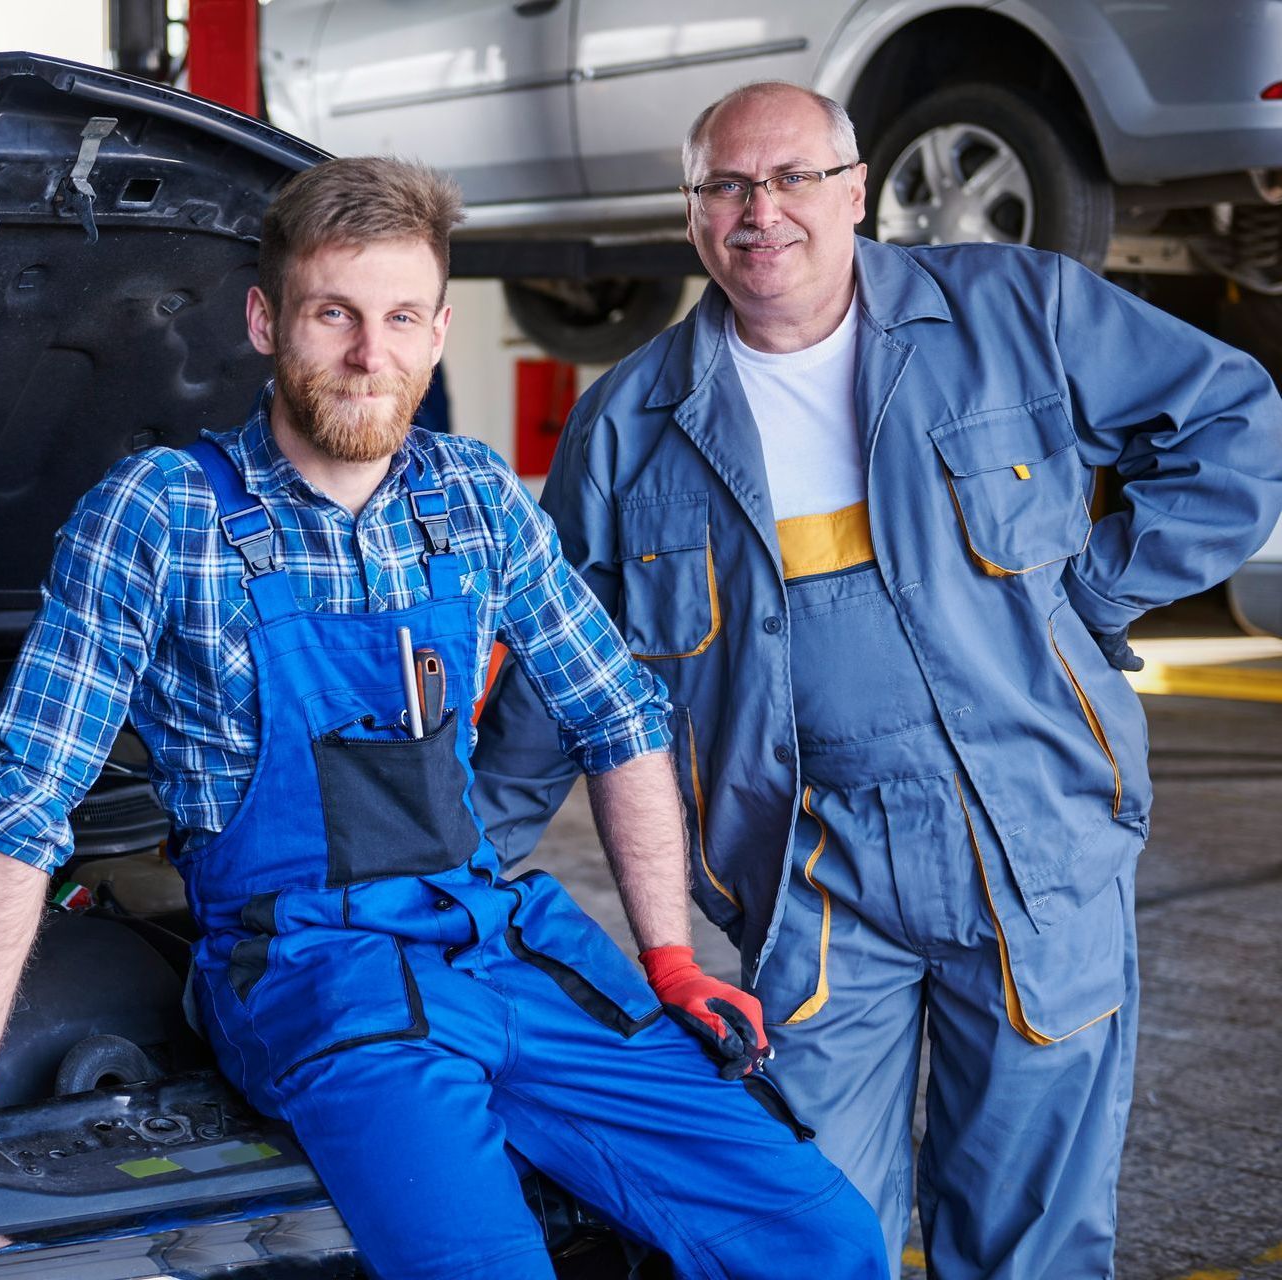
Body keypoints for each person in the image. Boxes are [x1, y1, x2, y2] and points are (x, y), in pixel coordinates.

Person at [0, 156, 888, 1280]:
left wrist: (670, 958)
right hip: (314, 972)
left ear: (436, 332)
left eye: (399, 317)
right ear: (265, 319)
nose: (368, 354)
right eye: (333, 313)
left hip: (501, 942)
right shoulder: (163, 513)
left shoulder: (474, 497)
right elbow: (30, 790)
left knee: (823, 1236)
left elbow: (620, 717)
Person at [471, 83, 1282, 1279]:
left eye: (795, 177)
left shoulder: (1016, 311)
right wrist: (443, 854)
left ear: (857, 190)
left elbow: (1235, 422)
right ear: (691, 218)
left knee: (1031, 1243)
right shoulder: (631, 422)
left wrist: (1094, 597)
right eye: (728, 188)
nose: (764, 213)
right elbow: (563, 671)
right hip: (809, 872)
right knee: (803, 1228)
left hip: (1032, 841)